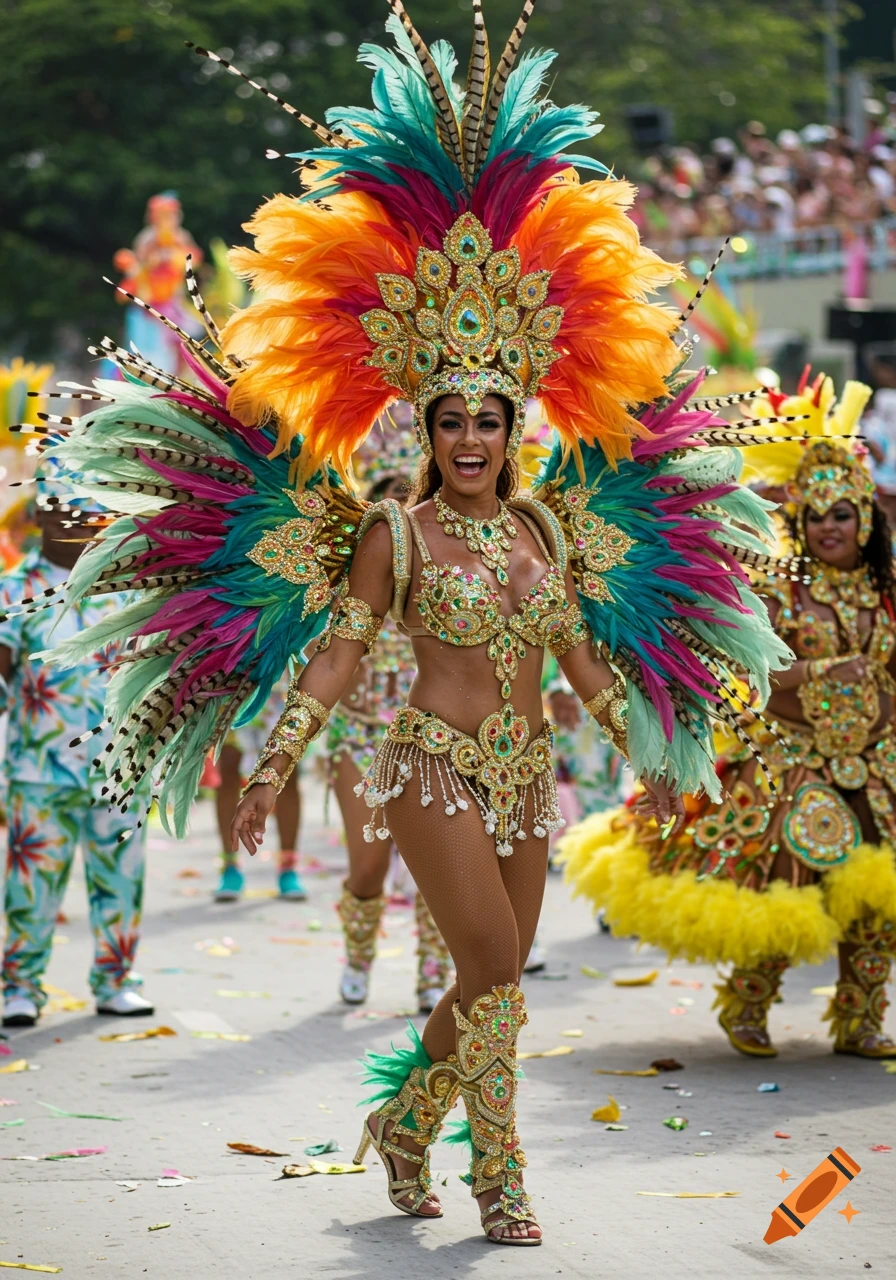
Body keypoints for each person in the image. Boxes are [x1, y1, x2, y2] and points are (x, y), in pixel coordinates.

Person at [41, 5, 794, 1246]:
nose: (467, 438)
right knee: (494, 975)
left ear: (511, 426)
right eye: (448, 420)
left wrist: (658, 758)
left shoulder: (551, 533)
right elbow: (337, 653)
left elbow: (583, 661)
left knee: (481, 988)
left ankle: (402, 1124)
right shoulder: (390, 532)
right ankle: (498, 1177)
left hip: (525, 777)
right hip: (431, 770)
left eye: (486, 420)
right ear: (428, 427)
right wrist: (274, 760)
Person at [561, 372, 896, 1059]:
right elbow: (753, 671)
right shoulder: (780, 585)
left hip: (879, 758)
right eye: (816, 516)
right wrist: (828, 671)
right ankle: (747, 1005)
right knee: (787, 882)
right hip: (792, 757)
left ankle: (861, 1019)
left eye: (842, 515)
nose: (829, 528)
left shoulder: (884, 589)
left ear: (866, 520)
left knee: (879, 892)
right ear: (799, 520)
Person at [0, 470, 153, 1027]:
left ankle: (116, 980)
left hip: (121, 771)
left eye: (87, 511)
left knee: (121, 882)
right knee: (31, 887)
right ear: (38, 515)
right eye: (62, 509)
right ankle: (20, 987)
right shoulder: (12, 591)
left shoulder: (129, 591)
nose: (75, 522)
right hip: (38, 772)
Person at [328, 428, 452, 1014]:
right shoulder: (354, 572)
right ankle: (358, 955)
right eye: (391, 499)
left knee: (441, 865)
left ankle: (434, 972)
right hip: (361, 732)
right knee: (369, 862)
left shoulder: (449, 567)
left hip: (435, 733)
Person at [211, 677, 305, 902]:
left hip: (283, 677)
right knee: (228, 766)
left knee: (287, 770)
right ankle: (230, 865)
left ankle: (288, 866)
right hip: (236, 672)